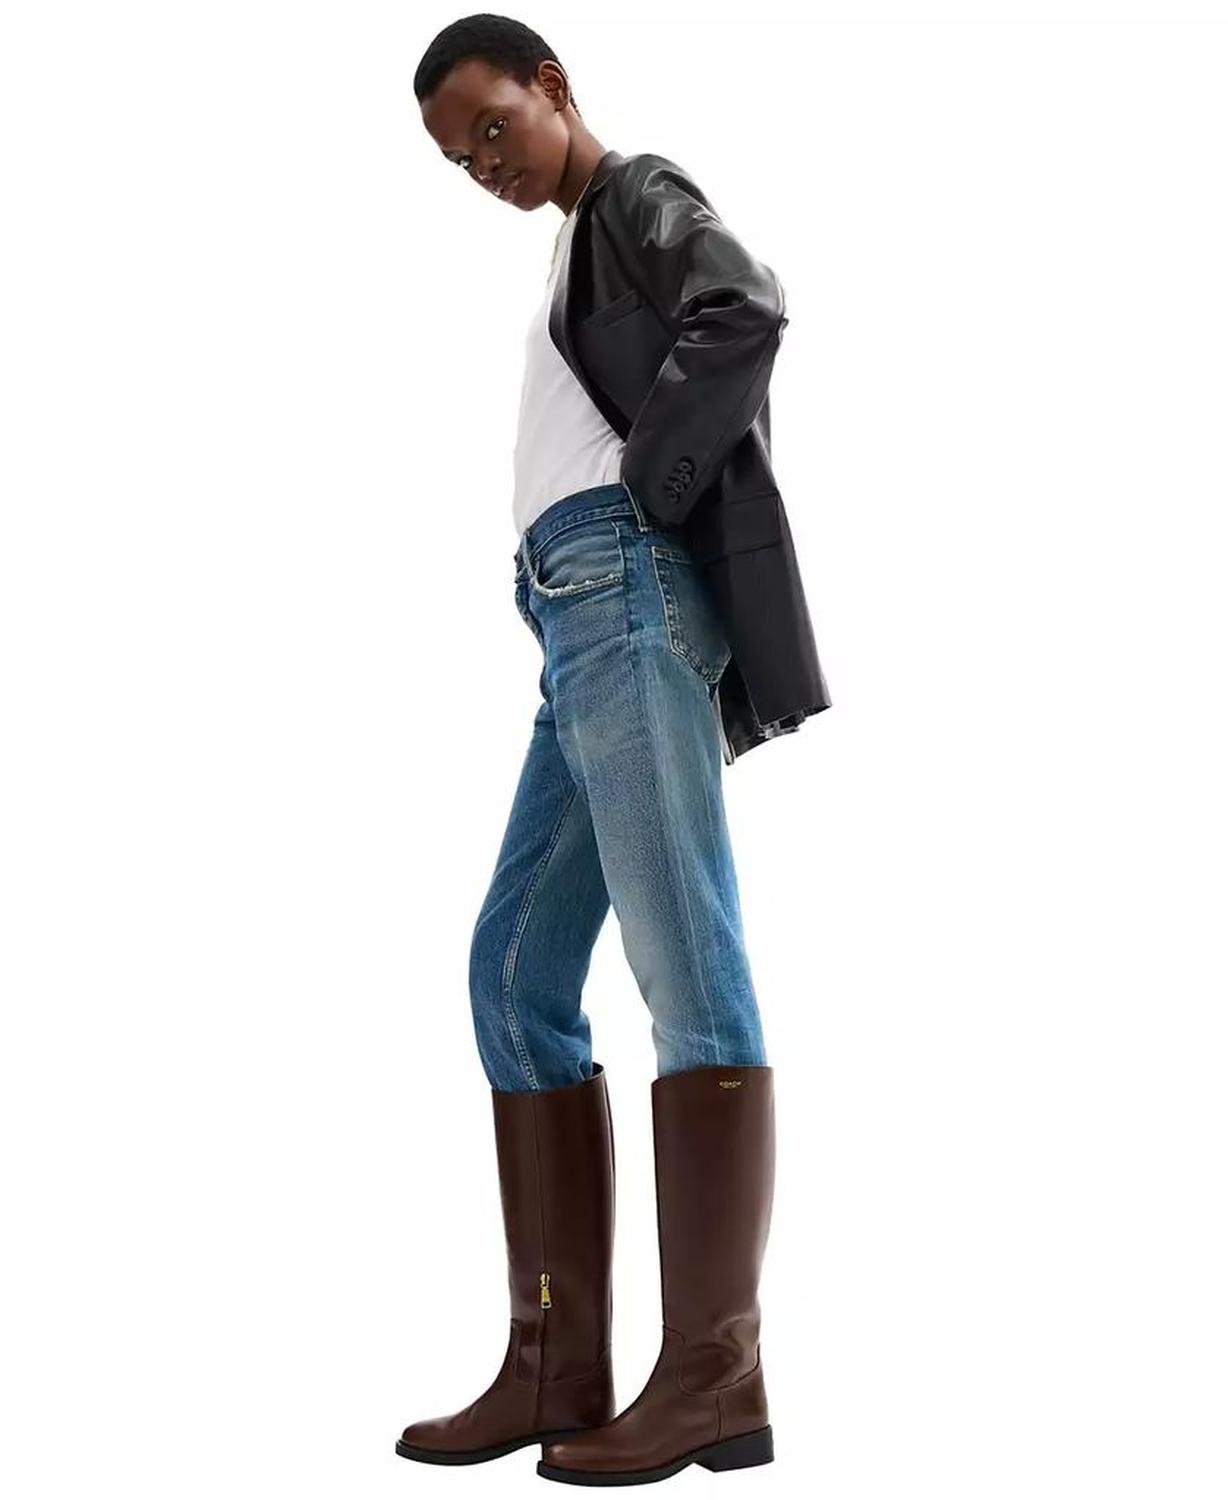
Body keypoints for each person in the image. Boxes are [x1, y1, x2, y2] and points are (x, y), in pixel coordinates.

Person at [397, 13, 829, 1485]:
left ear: (553, 86)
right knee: (515, 977)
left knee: (685, 967)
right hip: (576, 620)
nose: (486, 164)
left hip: (624, 593)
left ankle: (713, 1376)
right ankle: (553, 1365)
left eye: (494, 127)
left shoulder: (635, 193)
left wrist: (649, 485)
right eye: (461, 159)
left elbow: (744, 305)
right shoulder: (572, 252)